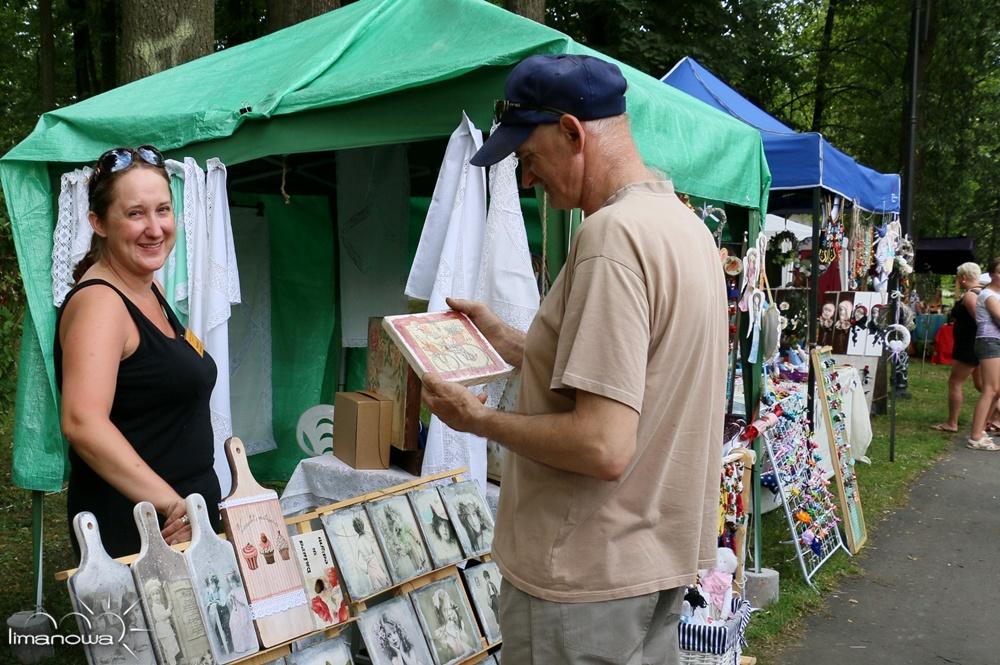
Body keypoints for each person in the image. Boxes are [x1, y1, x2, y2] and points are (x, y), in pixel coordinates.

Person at [421, 54, 726, 664]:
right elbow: (635, 373)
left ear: (571, 131)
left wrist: (476, 421)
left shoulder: (610, 238)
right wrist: (511, 340)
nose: (528, 181)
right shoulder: (683, 228)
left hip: (585, 578)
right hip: (649, 561)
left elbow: (602, 445)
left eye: (529, 158)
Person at [55, 145, 221, 558]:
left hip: (184, 522)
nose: (154, 228)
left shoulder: (151, 290)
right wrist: (172, 505)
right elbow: (82, 422)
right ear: (99, 223)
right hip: (143, 532)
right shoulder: (101, 304)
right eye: (135, 213)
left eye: (162, 210)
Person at [931, 262, 983, 433]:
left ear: (964, 278)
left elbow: (980, 320)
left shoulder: (970, 296)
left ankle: (952, 423)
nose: (957, 281)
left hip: (970, 345)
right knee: (982, 385)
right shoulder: (983, 293)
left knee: (955, 382)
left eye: (958, 278)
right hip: (976, 345)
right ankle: (995, 418)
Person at [968, 258, 1000, 450]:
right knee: (990, 389)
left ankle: (982, 430)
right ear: (992, 274)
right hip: (989, 341)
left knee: (997, 390)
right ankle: (975, 436)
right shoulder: (988, 294)